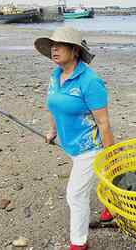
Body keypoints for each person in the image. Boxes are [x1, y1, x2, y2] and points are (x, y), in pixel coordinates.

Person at [34, 26, 115, 250]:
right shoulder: (56, 75)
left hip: (90, 147)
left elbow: (103, 123)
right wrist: (53, 131)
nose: (54, 49)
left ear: (75, 51)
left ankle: (79, 243)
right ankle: (112, 206)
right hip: (70, 143)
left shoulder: (90, 82)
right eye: (53, 45)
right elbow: (53, 105)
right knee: (100, 177)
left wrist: (110, 155)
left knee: (75, 195)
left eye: (60, 45)